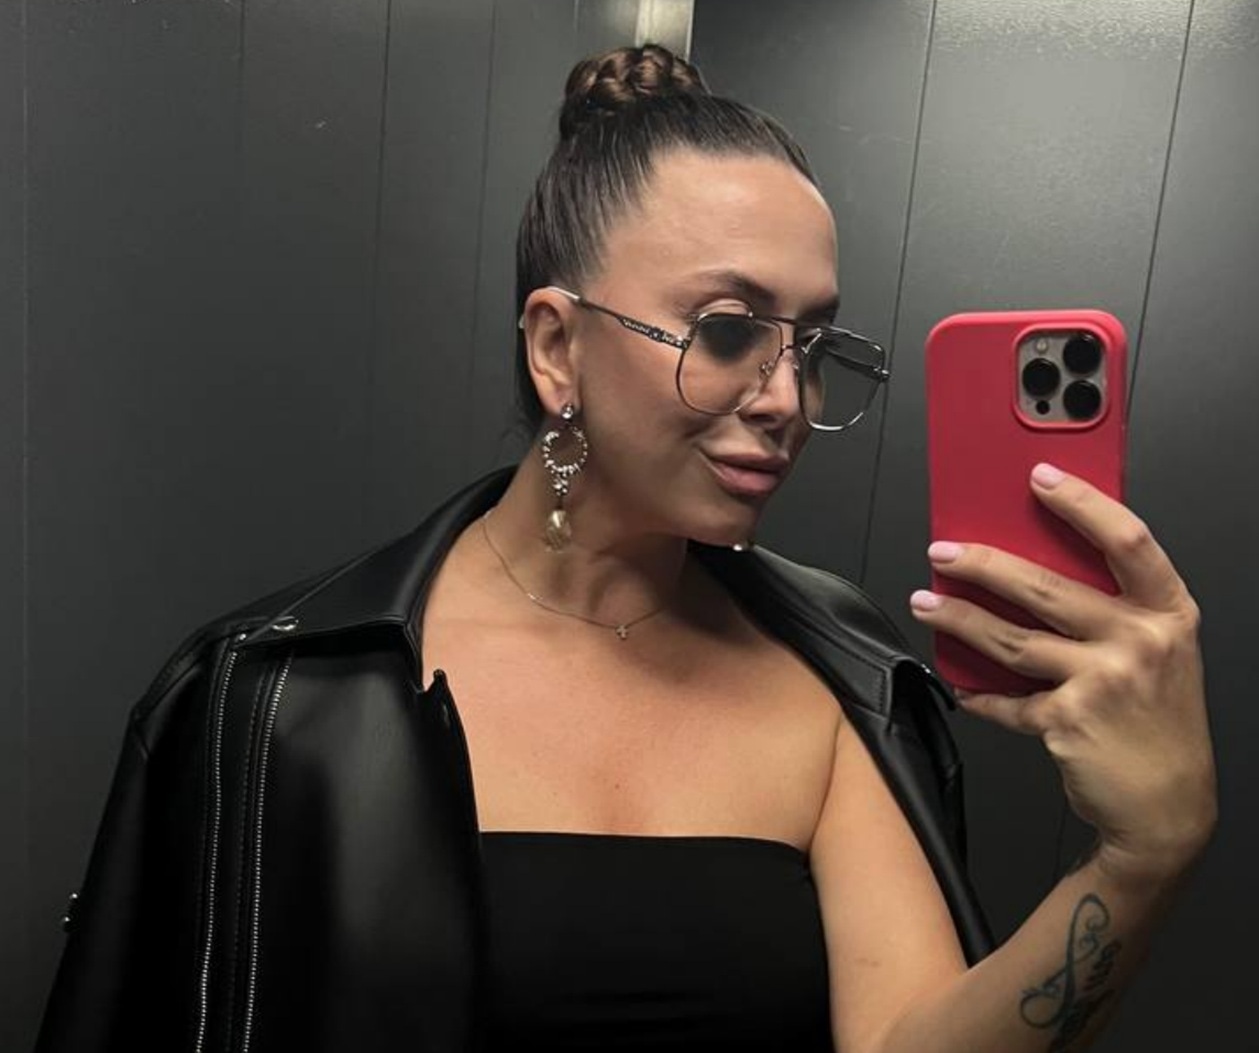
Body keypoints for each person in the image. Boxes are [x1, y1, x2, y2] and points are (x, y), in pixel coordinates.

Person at [36, 43, 1215, 1053]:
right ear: (556, 346)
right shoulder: (273, 694)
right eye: (727, 330)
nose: (785, 398)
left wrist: (1138, 859)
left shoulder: (842, 679)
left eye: (810, 344)